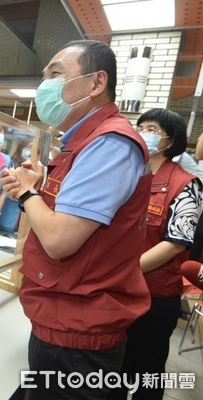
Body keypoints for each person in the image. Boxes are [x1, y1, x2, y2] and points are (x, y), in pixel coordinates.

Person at [1, 40, 152, 399]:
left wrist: (26, 193)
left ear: (96, 83)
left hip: (77, 332)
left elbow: (59, 240)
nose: (45, 86)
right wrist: (39, 188)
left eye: (55, 74)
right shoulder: (84, 143)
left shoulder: (109, 144)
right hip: (65, 317)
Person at [108, 109, 202, 400]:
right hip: (115, 290)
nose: (143, 133)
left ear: (170, 141)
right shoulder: (127, 174)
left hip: (154, 295)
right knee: (114, 367)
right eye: (141, 127)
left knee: (146, 370)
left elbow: (175, 242)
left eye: (152, 128)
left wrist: (123, 271)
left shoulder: (186, 184)